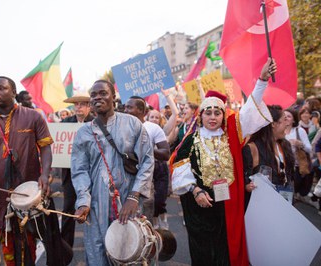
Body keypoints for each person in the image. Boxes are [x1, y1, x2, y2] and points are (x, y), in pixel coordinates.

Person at [171, 58, 276, 265]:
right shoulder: (191, 140)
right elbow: (180, 168)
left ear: (223, 115)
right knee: (204, 255)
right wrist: (196, 191)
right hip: (201, 206)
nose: (212, 117)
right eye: (208, 112)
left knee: (225, 253)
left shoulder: (231, 135)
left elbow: (248, 112)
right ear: (201, 116)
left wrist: (262, 80)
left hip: (227, 206)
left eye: (217, 113)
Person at [0, 76, 67, 266]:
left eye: (1, 88)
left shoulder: (33, 116)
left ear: (13, 92)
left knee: (33, 241)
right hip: (0, 195)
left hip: (30, 191)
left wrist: (45, 173)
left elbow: (45, 147)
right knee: (9, 245)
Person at [72, 80, 154, 265]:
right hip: (95, 204)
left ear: (114, 97)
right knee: (97, 251)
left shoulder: (132, 124)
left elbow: (147, 160)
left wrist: (133, 197)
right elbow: (80, 170)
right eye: (93, 95)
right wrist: (83, 201)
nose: (98, 97)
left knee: (129, 250)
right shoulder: (84, 132)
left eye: (103, 93)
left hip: (128, 201)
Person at [125, 96, 170, 228]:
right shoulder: (119, 128)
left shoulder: (152, 128)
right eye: (125, 107)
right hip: (126, 179)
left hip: (147, 179)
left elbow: (165, 153)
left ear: (141, 110)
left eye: (129, 107)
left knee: (145, 218)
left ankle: (151, 237)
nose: (125, 110)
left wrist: (147, 148)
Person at [60, 92, 95, 248]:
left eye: (82, 104)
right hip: (70, 173)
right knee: (68, 208)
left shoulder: (95, 123)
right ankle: (65, 247)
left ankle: (96, 243)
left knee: (93, 208)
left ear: (89, 106)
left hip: (91, 173)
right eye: (76, 104)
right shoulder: (65, 123)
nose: (78, 107)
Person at [242, 106, 295, 206]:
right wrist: (247, 186)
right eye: (284, 120)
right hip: (262, 207)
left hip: (284, 204)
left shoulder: (286, 145)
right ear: (273, 124)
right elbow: (242, 181)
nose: (288, 124)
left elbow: (290, 176)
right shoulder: (252, 148)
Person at [284, 108, 314, 200]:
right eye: (284, 116)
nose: (285, 118)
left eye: (288, 116)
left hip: (296, 168)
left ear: (293, 120)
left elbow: (309, 149)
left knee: (291, 192)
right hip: (283, 167)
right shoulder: (279, 130)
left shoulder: (299, 131)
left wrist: (300, 144)